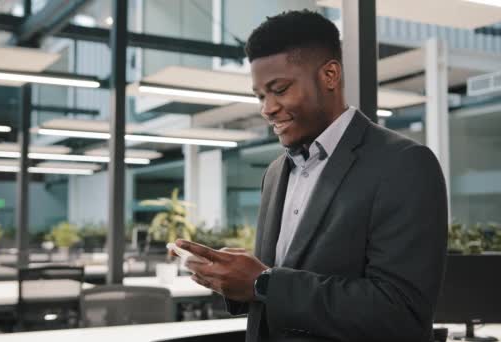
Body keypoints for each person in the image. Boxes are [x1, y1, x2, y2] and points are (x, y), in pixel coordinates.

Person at [177, 10, 448, 342]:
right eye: (260, 95)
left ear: (330, 75)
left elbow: (401, 312)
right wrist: (233, 279)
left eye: (279, 89)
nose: (267, 108)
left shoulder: (403, 164)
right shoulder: (276, 173)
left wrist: (263, 282)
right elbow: (277, 292)